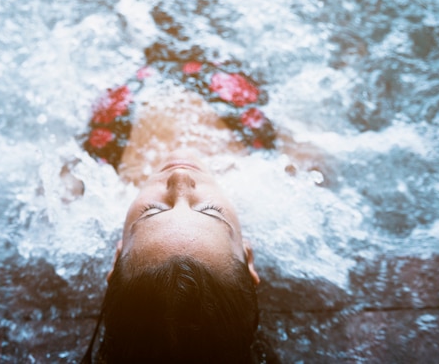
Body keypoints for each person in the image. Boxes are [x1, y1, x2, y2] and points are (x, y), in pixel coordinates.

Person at [73, 45, 325, 363]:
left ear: (116, 257)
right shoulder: (281, 171)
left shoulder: (94, 172)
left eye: (153, 210)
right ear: (247, 257)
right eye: (209, 211)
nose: (179, 178)